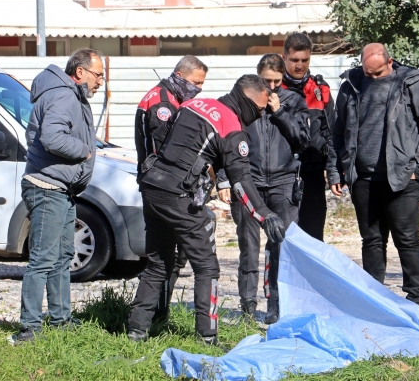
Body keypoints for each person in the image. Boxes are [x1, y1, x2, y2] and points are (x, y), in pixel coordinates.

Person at [127, 75, 287, 344]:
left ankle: (136, 330)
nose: (260, 116)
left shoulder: (195, 104)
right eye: (259, 109)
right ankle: (207, 338)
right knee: (207, 267)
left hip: (152, 188)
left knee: (158, 263)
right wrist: (264, 215)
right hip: (178, 196)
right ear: (246, 99)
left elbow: (161, 139)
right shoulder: (232, 126)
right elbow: (241, 181)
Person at [327, 43, 419, 308]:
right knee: (371, 241)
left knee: (408, 239)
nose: (373, 78)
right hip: (363, 180)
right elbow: (337, 132)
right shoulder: (351, 86)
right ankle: (374, 299)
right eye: (369, 73)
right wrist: (336, 170)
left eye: (378, 73)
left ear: (390, 62)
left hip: (402, 179)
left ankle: (417, 300)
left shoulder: (412, 82)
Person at [14, 49, 104, 342]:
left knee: (63, 256)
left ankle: (61, 319)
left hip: (61, 188)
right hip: (47, 187)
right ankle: (30, 327)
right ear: (80, 72)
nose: (101, 81)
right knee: (42, 258)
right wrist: (85, 151)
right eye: (98, 74)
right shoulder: (64, 96)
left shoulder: (67, 95)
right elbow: (52, 137)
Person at [217, 54, 309, 324]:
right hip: (249, 182)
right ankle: (247, 306)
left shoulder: (293, 101)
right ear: (257, 75)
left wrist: (279, 111)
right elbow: (223, 141)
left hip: (283, 183)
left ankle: (275, 304)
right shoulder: (240, 102)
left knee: (280, 245)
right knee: (248, 245)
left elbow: (303, 140)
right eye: (266, 81)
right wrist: (224, 179)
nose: (271, 87)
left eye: (276, 81)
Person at [134, 55, 208, 322]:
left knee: (167, 260)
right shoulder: (162, 102)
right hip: (164, 188)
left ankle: (149, 320)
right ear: (180, 75)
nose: (198, 89)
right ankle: (154, 316)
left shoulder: (172, 97)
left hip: (160, 186)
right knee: (166, 260)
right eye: (196, 82)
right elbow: (167, 146)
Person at [281, 33, 335, 242]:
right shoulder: (274, 89)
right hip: (282, 174)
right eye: (294, 60)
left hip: (312, 172)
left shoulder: (320, 90)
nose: (299, 65)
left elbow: (332, 133)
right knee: (285, 237)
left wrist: (333, 171)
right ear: (284, 57)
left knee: (313, 236)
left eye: (305, 60)